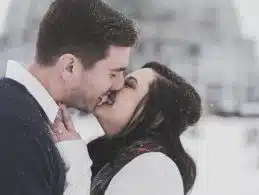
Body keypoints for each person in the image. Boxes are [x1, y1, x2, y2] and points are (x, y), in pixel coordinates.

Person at [0, 0, 138, 194]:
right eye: (113, 74)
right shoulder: (16, 129)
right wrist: (78, 171)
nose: (119, 85)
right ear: (69, 67)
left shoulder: (26, 119)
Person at [51, 62, 202, 195]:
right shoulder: (108, 160)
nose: (116, 85)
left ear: (157, 117)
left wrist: (75, 162)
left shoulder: (154, 170)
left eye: (129, 85)